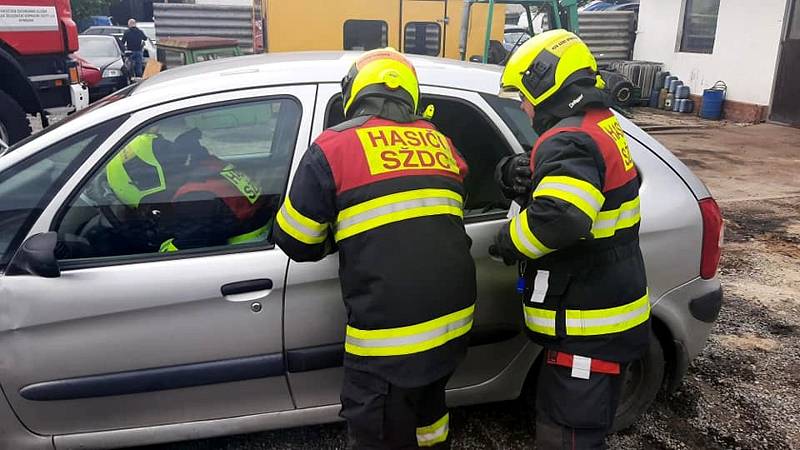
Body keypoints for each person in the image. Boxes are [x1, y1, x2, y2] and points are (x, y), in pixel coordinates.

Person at [274, 48, 476, 449]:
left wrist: (342, 230)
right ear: (410, 96)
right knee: (430, 420)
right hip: (453, 327)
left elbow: (295, 240)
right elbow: (440, 213)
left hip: (389, 344)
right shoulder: (442, 145)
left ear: (356, 94)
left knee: (378, 433)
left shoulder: (334, 148)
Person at [490, 30, 650, 449]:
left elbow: (560, 219)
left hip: (587, 327)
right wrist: (517, 171)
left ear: (546, 85)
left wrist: (509, 240)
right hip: (608, 315)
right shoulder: (601, 126)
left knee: (568, 435)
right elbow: (595, 186)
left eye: (524, 95)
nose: (523, 107)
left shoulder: (571, 137)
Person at [95, 127, 274, 256]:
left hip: (245, 253)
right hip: (258, 233)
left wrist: (162, 247)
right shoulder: (202, 165)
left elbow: (187, 247)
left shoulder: (194, 200)